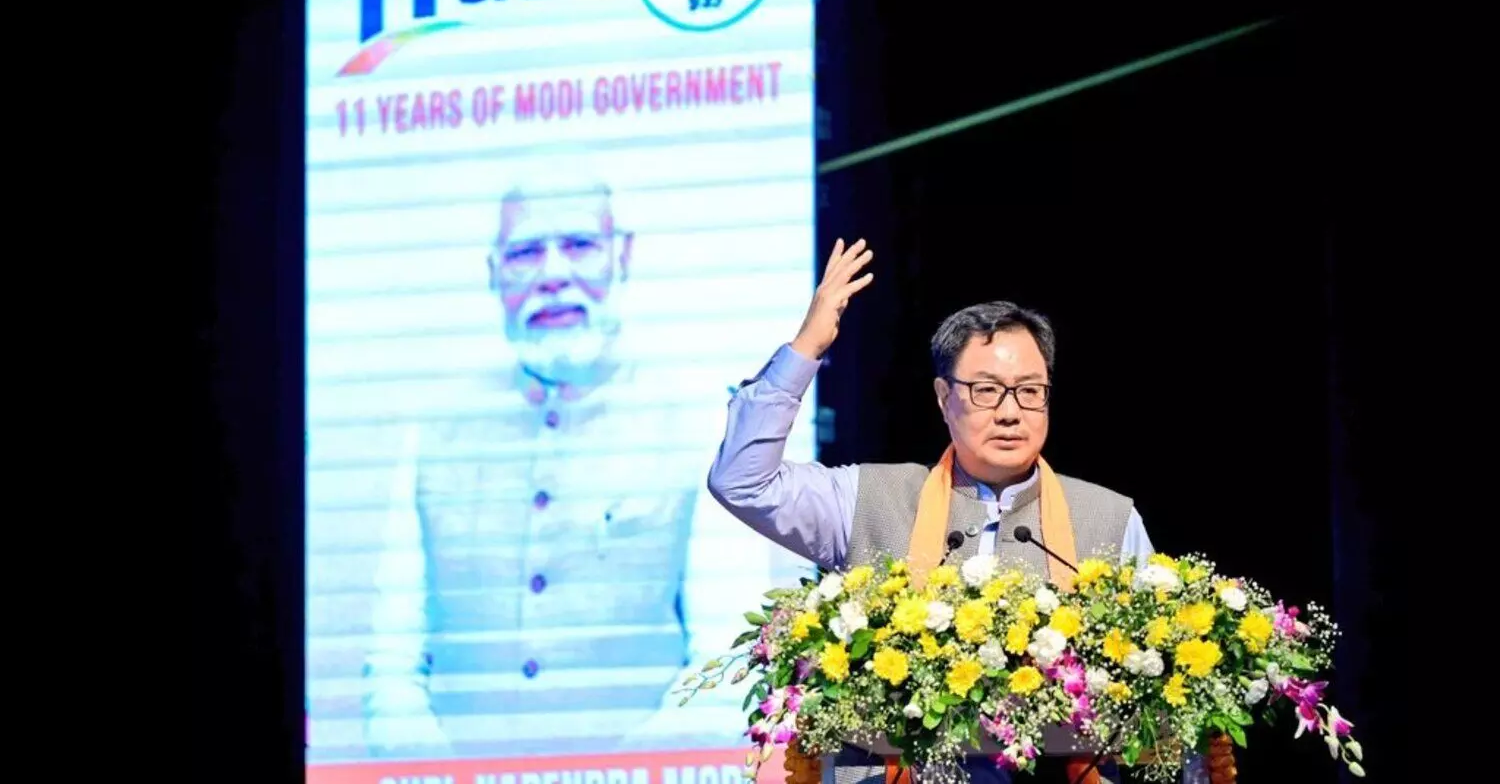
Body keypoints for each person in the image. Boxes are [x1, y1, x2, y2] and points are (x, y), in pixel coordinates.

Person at [305, 178, 804, 761]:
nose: (552, 274)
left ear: (622, 255)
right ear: (494, 273)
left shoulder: (699, 424)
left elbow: (725, 659)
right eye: (524, 252)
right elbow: (392, 666)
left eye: (578, 245)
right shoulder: (435, 429)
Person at [706, 239, 1198, 784]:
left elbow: (1165, 695)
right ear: (944, 397)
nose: (1010, 412)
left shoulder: (1110, 520)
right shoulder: (869, 497)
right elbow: (741, 481)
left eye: (1030, 391)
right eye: (986, 390)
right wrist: (806, 349)